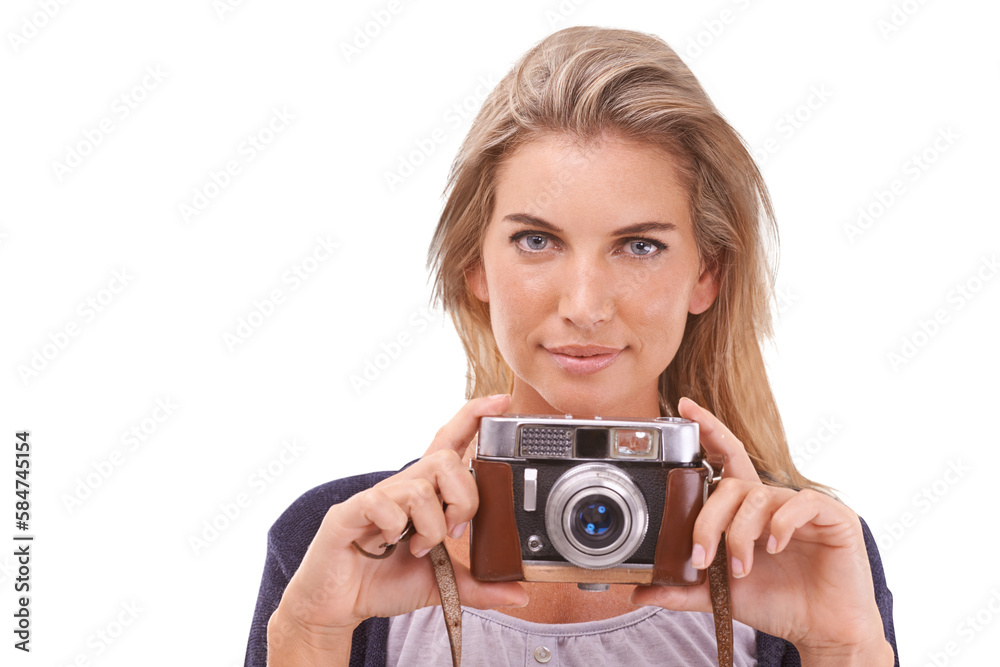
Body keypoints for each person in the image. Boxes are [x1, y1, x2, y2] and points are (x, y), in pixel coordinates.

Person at [245, 26, 898, 666]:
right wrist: (310, 631)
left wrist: (841, 650)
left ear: (707, 274)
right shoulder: (340, 540)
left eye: (640, 245)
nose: (584, 306)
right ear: (475, 262)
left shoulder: (797, 552)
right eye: (537, 240)